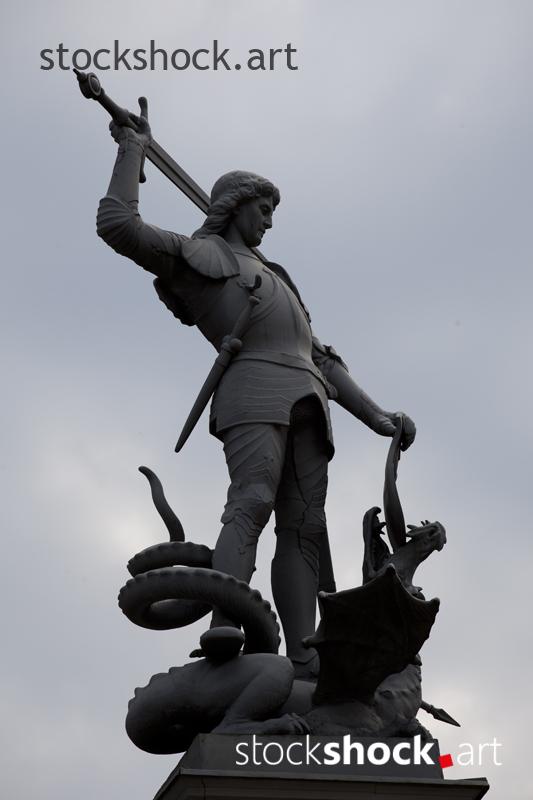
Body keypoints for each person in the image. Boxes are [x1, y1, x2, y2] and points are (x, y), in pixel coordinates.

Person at [96, 99, 416, 679]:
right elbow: (118, 225)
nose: (269, 220)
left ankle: (305, 652)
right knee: (253, 499)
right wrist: (131, 151)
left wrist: (378, 417)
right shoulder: (201, 257)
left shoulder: (280, 281)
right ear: (235, 206)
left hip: (309, 401)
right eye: (263, 208)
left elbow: (321, 359)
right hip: (253, 389)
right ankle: (225, 617)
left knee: (306, 525)